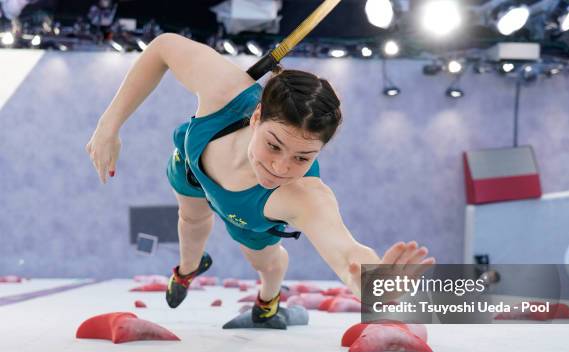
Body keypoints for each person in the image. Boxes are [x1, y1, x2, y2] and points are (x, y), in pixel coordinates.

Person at [86, 33, 435, 329]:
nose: (281, 168)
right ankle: (188, 269)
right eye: (274, 145)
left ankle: (267, 304)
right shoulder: (226, 91)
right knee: (191, 220)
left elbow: (346, 252)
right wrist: (108, 126)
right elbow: (162, 47)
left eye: (303, 157)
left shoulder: (303, 195)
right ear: (256, 116)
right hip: (194, 167)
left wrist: (368, 282)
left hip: (250, 212)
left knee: (265, 262)